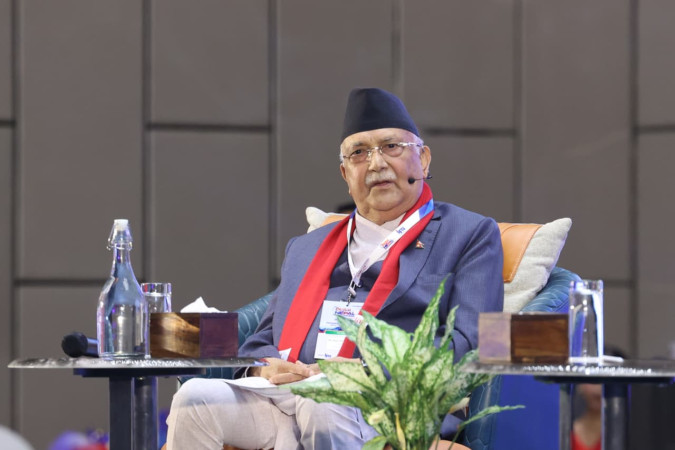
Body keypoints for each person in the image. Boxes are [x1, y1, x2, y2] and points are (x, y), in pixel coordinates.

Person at [165, 87, 504, 449]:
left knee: (323, 400)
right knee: (195, 399)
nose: (376, 164)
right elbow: (262, 339)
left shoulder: (467, 234)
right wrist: (262, 367)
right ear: (345, 173)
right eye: (359, 153)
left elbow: (470, 341)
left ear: (423, 159)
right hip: (287, 397)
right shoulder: (306, 247)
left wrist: (366, 372)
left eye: (391, 146)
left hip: (386, 407)